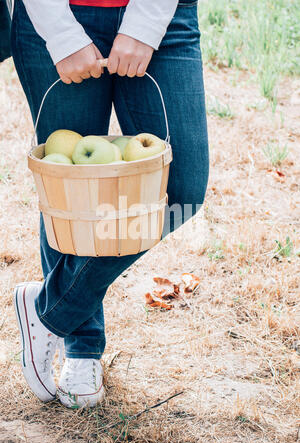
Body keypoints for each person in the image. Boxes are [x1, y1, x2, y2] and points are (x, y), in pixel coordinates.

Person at [11, 0, 209, 408]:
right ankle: (81, 349)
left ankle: (48, 307)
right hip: (56, 11)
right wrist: (63, 33)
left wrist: (143, 24)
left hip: (163, 15)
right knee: (71, 193)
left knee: (181, 189)